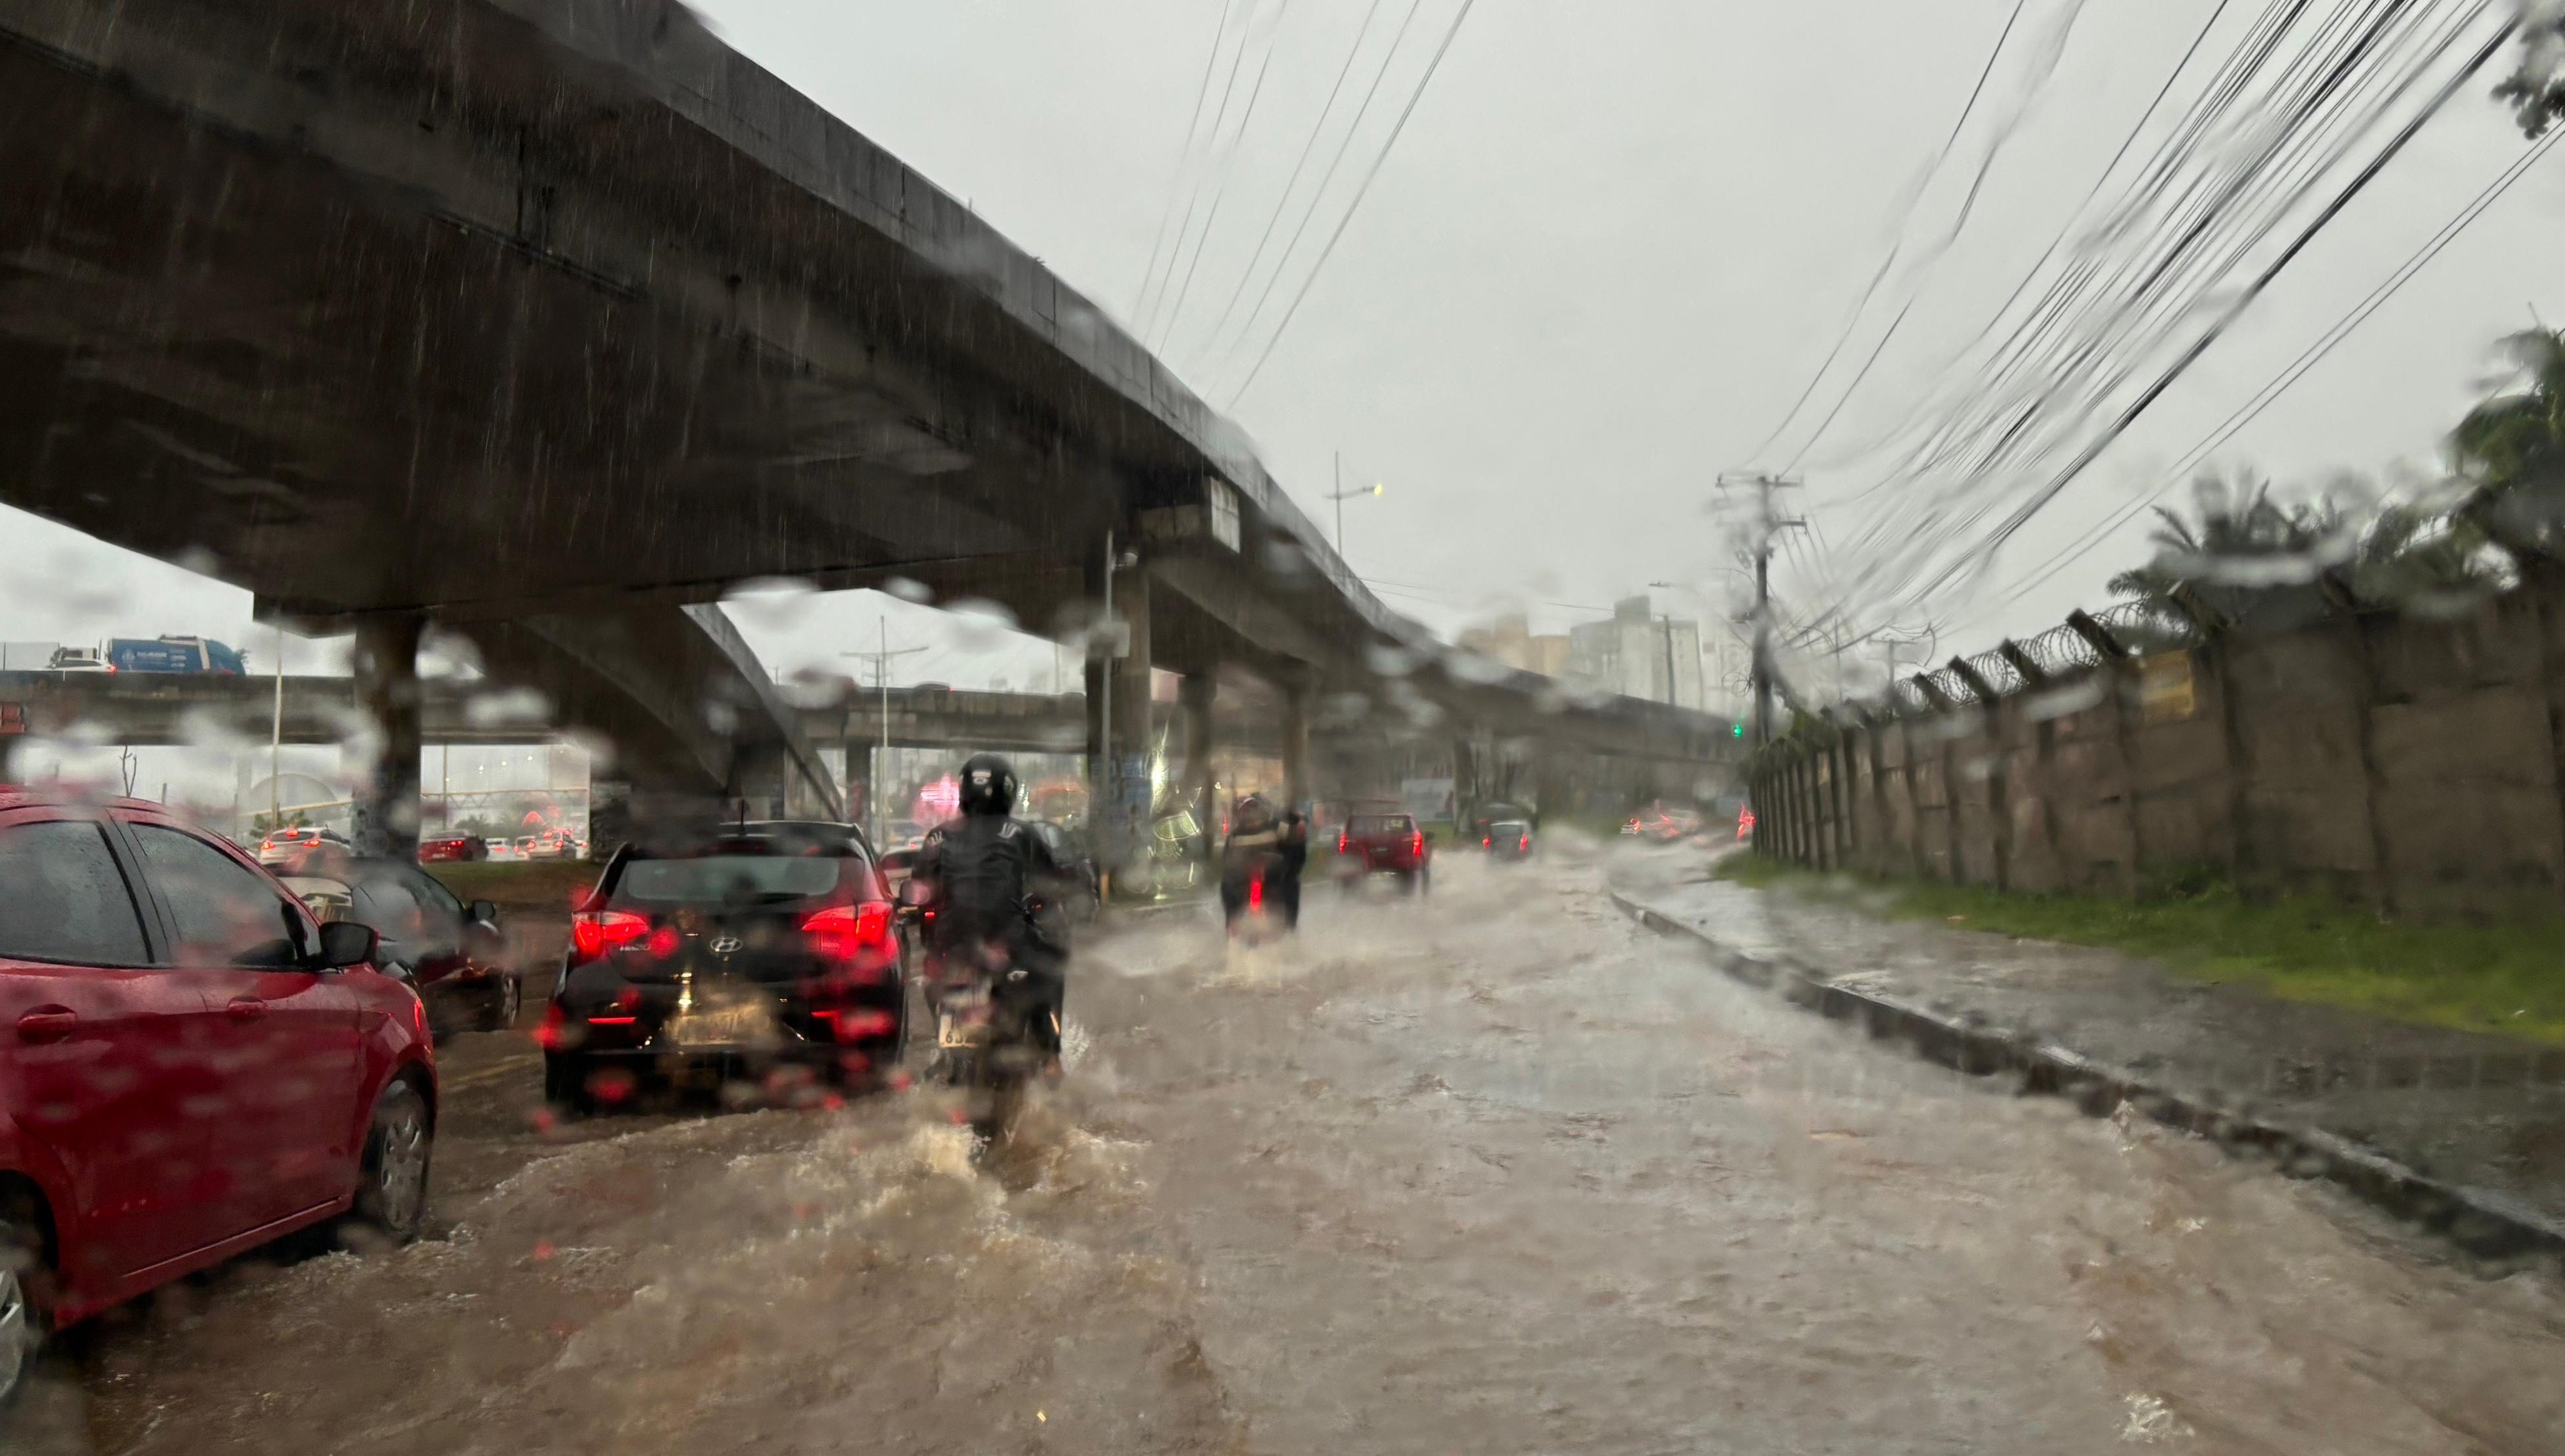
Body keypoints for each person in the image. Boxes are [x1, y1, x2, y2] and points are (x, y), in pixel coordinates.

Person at [911, 753, 1069, 1070]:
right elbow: (1052, 885)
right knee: (1051, 967)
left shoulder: (938, 835)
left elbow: (919, 889)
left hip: (950, 943)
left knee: (932, 981)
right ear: (1007, 792)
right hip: (1008, 938)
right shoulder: (1022, 834)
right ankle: (1050, 1056)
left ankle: (945, 1054)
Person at [1219, 794, 1283, 931]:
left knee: (1228, 888)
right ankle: (1234, 921)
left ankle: (1233, 922)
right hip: (1256, 878)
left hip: (1257, 878)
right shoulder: (1269, 830)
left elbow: (1227, 859)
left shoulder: (1236, 834)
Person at [1274, 807, 1310, 930]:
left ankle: (1289, 928)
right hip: (1285, 878)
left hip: (1283, 877)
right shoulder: (1292, 832)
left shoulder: (1280, 829)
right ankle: (1289, 929)